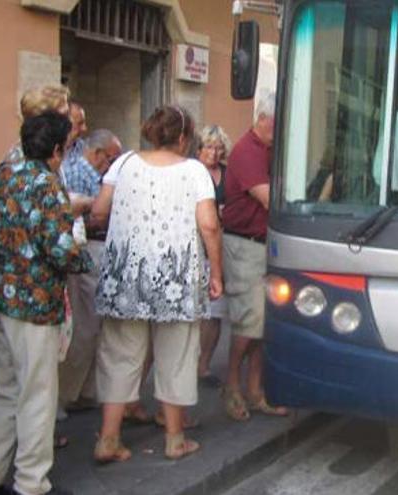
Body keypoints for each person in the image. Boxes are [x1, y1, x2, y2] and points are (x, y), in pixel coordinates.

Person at [0, 111, 92, 495]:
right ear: (56, 149)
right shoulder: (46, 184)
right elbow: (60, 249)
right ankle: (31, 483)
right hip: (33, 303)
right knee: (38, 393)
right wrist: (82, 257)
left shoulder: (4, 174)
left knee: (7, 388)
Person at [90, 105, 223, 462]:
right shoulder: (195, 171)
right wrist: (216, 273)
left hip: (125, 276)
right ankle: (174, 439)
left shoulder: (123, 163)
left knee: (119, 355)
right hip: (175, 280)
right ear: (182, 137)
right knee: (176, 356)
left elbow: (99, 211)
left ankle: (108, 438)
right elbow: (208, 224)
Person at [221, 91, 288, 421]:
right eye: (276, 122)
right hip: (244, 244)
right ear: (262, 119)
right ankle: (231, 386)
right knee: (248, 323)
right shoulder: (247, 151)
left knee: (265, 323)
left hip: (265, 243)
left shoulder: (269, 149)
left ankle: (255, 390)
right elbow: (268, 198)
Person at [57, 128, 122, 416]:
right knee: (84, 327)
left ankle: (84, 390)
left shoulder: (83, 168)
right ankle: (66, 395)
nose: (110, 165)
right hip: (85, 249)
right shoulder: (75, 171)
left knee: (93, 326)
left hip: (96, 248)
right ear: (98, 154)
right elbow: (87, 214)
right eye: (110, 159)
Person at [195, 124, 232, 388]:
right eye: (209, 146)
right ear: (199, 148)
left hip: (220, 246)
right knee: (196, 312)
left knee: (215, 313)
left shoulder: (228, 174)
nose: (214, 152)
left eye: (219, 148)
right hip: (196, 246)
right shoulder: (191, 172)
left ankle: (203, 366)